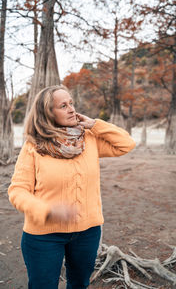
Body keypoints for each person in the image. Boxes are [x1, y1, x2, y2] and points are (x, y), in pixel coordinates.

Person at [8, 84, 136, 289]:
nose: (71, 109)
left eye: (71, 103)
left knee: (79, 284)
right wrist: (46, 211)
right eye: (63, 105)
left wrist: (94, 124)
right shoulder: (34, 146)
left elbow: (126, 143)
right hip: (43, 236)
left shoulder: (89, 140)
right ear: (47, 113)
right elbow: (17, 190)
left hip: (88, 232)